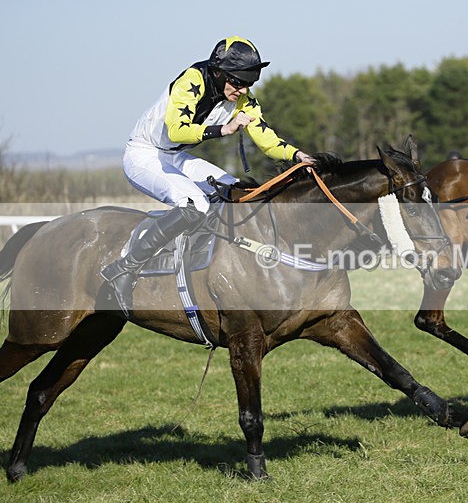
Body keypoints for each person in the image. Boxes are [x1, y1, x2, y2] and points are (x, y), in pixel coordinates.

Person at [102, 36, 315, 316]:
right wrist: (222, 130)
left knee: (236, 191)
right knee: (196, 205)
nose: (243, 89)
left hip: (174, 156)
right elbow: (178, 130)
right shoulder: (192, 81)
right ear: (218, 71)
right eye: (238, 82)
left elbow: (265, 138)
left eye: (248, 83)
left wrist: (297, 156)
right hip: (144, 155)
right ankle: (124, 268)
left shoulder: (244, 100)